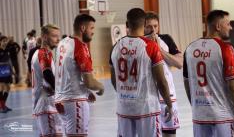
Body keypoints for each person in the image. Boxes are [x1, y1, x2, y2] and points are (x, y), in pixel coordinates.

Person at [183, 10, 234, 137]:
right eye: (228, 24)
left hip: (199, 116)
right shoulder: (226, 49)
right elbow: (233, 85)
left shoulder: (190, 49)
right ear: (218, 26)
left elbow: (187, 82)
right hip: (222, 116)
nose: (231, 27)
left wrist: (195, 105)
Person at [110, 8, 173, 137]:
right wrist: (169, 103)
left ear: (127, 25)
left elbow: (113, 79)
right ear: (144, 24)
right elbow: (161, 81)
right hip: (146, 108)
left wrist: (125, 94)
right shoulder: (150, 46)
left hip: (124, 108)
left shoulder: (116, 47)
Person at [54, 14, 104, 137]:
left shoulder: (63, 43)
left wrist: (86, 91)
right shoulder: (81, 47)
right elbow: (90, 82)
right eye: (91, 28)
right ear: (82, 28)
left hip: (61, 100)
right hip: (75, 102)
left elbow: (69, 72)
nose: (93, 32)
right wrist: (101, 87)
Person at [144, 12, 182, 137]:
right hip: (149, 98)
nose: (153, 30)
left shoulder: (166, 39)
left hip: (168, 95)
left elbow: (179, 63)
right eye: (149, 26)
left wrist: (159, 50)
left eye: (155, 26)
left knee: (170, 134)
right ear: (143, 27)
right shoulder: (140, 43)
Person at [31, 24, 62, 136]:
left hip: (47, 104)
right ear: (44, 37)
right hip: (46, 104)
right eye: (54, 36)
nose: (58, 39)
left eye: (58, 36)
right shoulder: (43, 53)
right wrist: (60, 93)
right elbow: (47, 74)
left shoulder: (43, 53)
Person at [0, 36, 12, 113]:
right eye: (3, 41)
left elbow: (9, 60)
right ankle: (2, 106)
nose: (5, 42)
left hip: (7, 71)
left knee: (8, 88)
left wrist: (12, 69)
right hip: (0, 71)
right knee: (1, 88)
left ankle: (3, 105)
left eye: (5, 41)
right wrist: (3, 63)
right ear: (0, 42)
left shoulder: (7, 50)